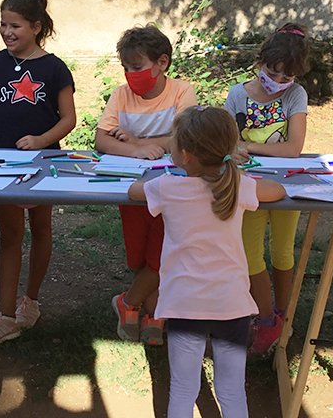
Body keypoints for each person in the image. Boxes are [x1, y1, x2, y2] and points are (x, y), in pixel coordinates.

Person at [128, 106, 285, 417]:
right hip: (231, 302)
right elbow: (277, 190)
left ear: (185, 155)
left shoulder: (166, 187)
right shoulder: (238, 184)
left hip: (184, 303)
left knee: (183, 389)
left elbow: (134, 191)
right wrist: (240, 175)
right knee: (232, 390)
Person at [0, 0, 76, 348]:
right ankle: (6, 316)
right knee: (10, 235)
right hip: (0, 162)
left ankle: (30, 302)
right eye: (3, 24)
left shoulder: (55, 68)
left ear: (36, 27)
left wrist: (41, 140)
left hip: (43, 162)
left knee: (41, 228)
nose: (7, 31)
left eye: (15, 26)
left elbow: (68, 119)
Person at [95, 25, 197, 345]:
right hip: (132, 189)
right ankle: (152, 309)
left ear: (162, 62)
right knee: (139, 255)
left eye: (137, 67)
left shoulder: (182, 91)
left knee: (163, 253)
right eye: (125, 68)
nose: (130, 75)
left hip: (174, 189)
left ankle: (132, 304)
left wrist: (138, 141)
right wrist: (134, 150)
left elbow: (185, 138)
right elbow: (101, 140)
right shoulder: (121, 95)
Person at [224, 22, 310, 355]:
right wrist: (234, 148)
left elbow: (293, 149)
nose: (278, 82)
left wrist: (248, 146)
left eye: (287, 77)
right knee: (249, 253)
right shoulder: (237, 94)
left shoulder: (296, 94)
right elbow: (229, 143)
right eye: (272, 73)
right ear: (260, 62)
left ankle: (282, 316)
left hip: (287, 184)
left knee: (283, 250)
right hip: (249, 186)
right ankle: (264, 315)